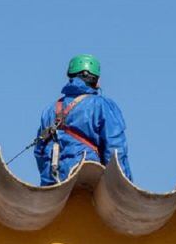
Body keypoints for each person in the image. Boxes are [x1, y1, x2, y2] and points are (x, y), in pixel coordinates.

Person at [33, 54, 131, 185]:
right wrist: (123, 186)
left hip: (53, 184)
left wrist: (48, 182)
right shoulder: (101, 105)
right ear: (95, 79)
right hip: (86, 179)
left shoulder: (50, 110)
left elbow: (39, 151)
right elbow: (115, 150)